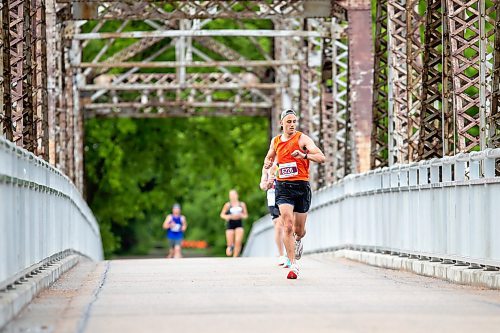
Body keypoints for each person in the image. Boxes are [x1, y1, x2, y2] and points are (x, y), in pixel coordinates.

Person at [262, 109, 325, 279]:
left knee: (299, 230)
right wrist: (267, 168)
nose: (291, 125)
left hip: (301, 187)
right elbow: (268, 159)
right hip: (283, 188)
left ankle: (298, 240)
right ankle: (293, 265)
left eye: (294, 121)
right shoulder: (275, 141)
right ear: (281, 123)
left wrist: (304, 155)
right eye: (288, 121)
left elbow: (321, 157)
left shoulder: (302, 139)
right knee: (287, 225)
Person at [260, 163, 287, 267]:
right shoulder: (267, 165)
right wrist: (267, 184)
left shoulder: (285, 160)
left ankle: (288, 253)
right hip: (272, 198)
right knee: (278, 225)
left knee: (284, 225)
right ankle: (281, 255)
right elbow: (262, 185)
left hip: (285, 196)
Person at [219, 189, 248, 257]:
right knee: (230, 245)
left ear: (237, 195)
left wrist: (241, 215)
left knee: (238, 241)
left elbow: (246, 215)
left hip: (239, 224)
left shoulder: (242, 204)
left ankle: (235, 257)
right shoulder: (228, 205)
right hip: (230, 225)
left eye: (234, 195)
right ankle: (230, 248)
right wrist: (229, 216)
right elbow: (222, 215)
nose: (232, 196)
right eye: (231, 195)